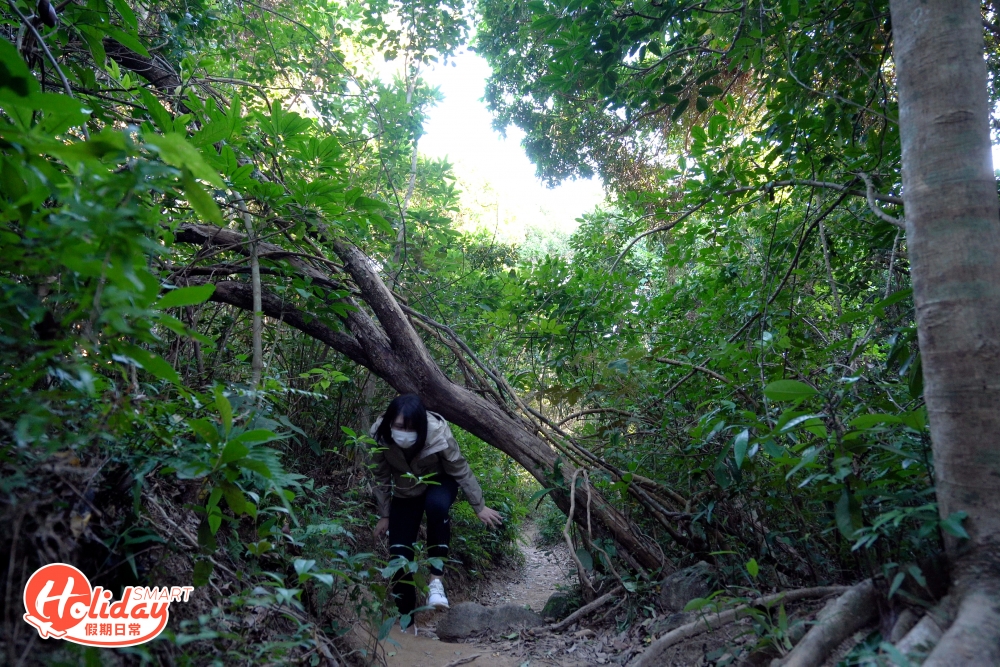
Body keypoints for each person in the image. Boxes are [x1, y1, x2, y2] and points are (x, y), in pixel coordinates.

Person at [370, 393, 503, 619]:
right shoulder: (379, 435)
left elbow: (459, 468)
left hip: (439, 482)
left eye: (411, 427)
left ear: (421, 426)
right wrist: (385, 515)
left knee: (436, 506)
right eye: (399, 426)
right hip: (406, 490)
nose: (404, 432)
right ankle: (406, 619)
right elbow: (380, 476)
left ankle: (436, 582)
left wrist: (479, 506)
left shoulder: (438, 433)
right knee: (399, 553)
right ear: (390, 422)